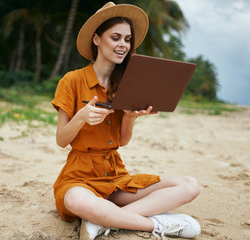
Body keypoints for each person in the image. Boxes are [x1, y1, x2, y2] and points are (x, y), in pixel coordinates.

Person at [51, 2, 201, 240]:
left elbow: (122, 141)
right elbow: (61, 140)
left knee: (190, 185)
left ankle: (102, 220)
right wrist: (81, 116)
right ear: (97, 39)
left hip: (115, 176)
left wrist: (130, 117)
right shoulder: (72, 81)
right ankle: (156, 224)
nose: (123, 45)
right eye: (115, 37)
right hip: (80, 177)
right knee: (76, 200)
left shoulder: (127, 84)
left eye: (127, 39)